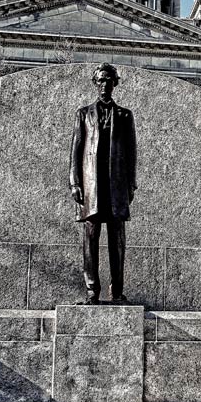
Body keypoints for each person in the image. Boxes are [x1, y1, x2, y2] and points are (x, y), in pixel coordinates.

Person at [69, 63, 137, 304]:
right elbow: (76, 150)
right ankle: (91, 291)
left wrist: (131, 185)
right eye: (100, 81)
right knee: (90, 239)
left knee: (117, 242)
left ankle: (117, 292)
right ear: (95, 83)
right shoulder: (83, 113)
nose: (104, 85)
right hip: (91, 187)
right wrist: (75, 183)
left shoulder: (125, 115)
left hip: (117, 187)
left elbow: (131, 153)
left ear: (115, 83)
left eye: (108, 81)